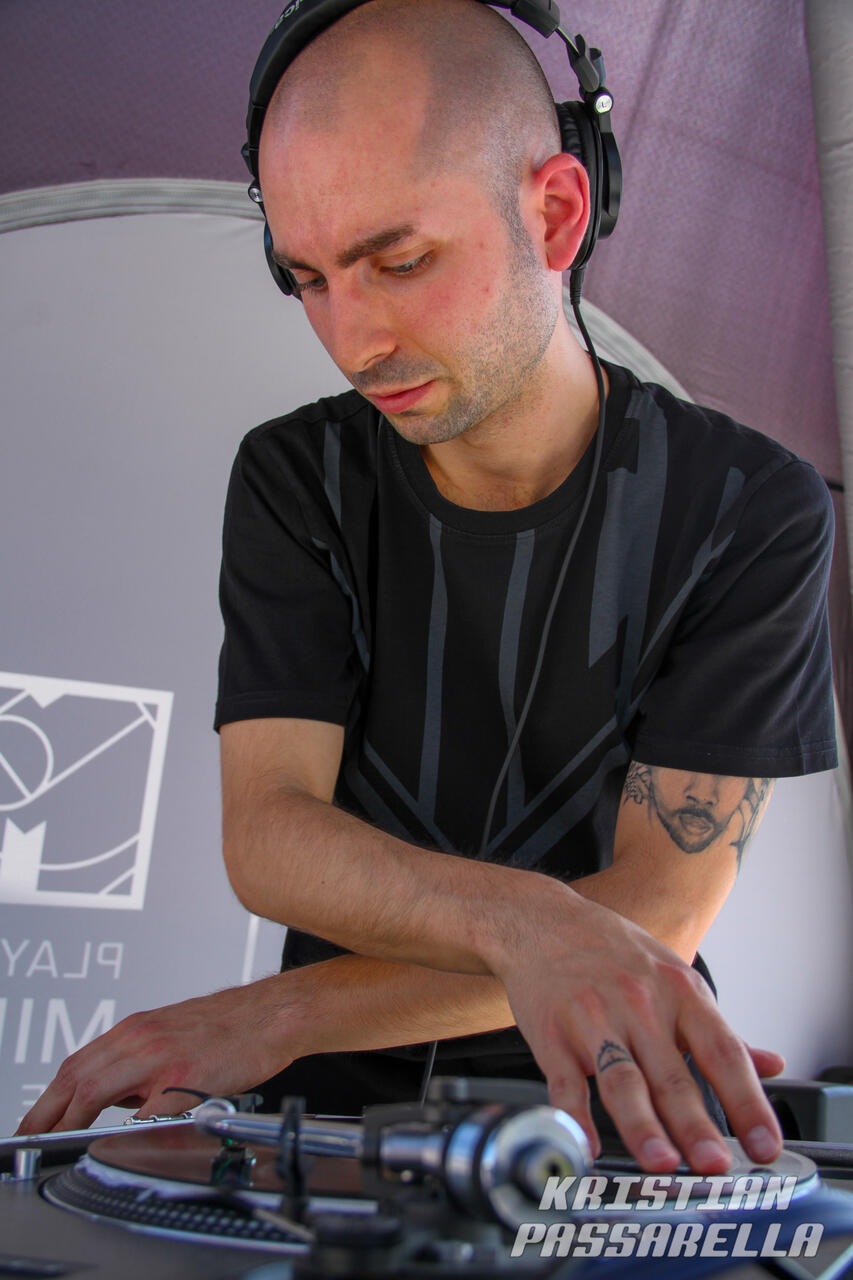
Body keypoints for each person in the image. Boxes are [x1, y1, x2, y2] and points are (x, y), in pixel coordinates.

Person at [18, 0, 836, 1180]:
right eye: (305, 278)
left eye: (398, 262)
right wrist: (531, 919)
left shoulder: (752, 508)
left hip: (628, 1124)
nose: (353, 339)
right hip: (323, 1129)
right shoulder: (297, 476)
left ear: (557, 212)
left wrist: (274, 1013)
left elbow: (656, 910)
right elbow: (272, 832)